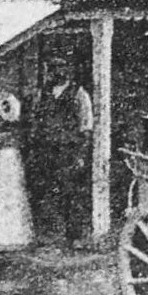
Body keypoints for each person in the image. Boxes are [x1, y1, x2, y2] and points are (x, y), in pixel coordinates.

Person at [33, 63, 94, 246]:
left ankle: (74, 236)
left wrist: (81, 154)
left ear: (69, 71)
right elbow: (38, 120)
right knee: (47, 191)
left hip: (69, 151)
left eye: (61, 68)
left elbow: (86, 126)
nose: (57, 72)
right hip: (47, 150)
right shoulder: (44, 94)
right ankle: (49, 235)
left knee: (71, 193)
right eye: (54, 69)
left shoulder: (79, 94)